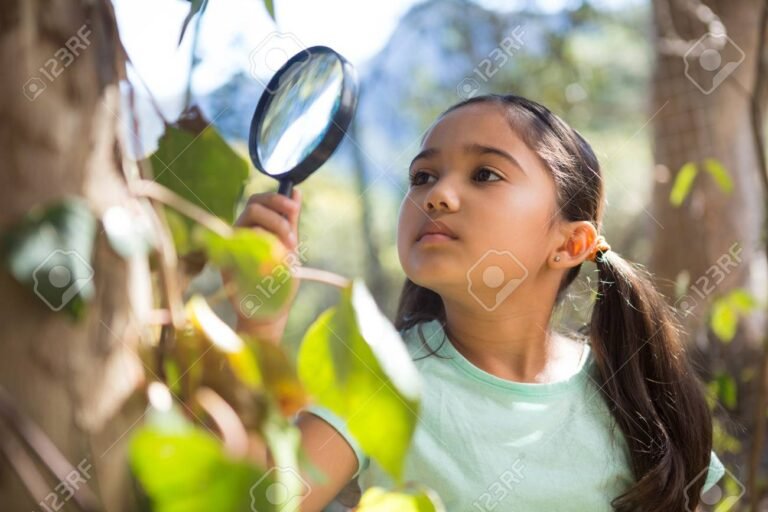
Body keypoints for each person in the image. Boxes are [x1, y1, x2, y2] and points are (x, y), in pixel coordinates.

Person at [234, 93, 726, 511]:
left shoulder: (635, 388)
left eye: (485, 174)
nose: (437, 196)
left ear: (570, 244)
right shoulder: (374, 378)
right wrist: (257, 326)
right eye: (422, 176)